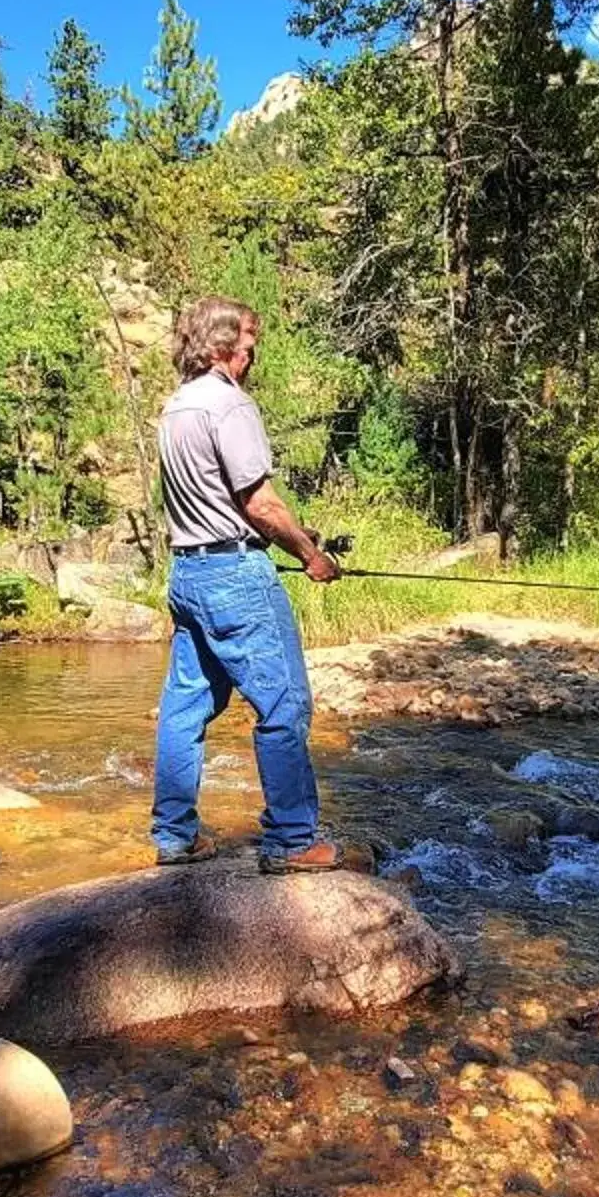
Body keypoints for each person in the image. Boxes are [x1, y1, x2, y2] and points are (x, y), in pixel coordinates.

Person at [150, 295, 360, 873]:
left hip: (188, 573)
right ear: (221, 346)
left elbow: (223, 500)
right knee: (284, 706)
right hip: (236, 578)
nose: (252, 352)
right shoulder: (228, 404)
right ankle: (293, 842)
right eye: (247, 341)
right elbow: (258, 501)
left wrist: (294, 532)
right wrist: (310, 554)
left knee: (185, 710)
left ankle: (174, 837)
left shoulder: (176, 407)